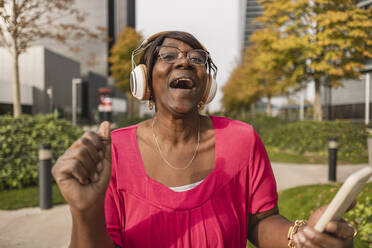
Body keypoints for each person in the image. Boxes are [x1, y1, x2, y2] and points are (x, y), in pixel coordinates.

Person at [52, 31, 356, 248]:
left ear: (206, 84)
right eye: (168, 55)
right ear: (143, 81)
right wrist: (85, 212)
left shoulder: (242, 139)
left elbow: (259, 222)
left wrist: (302, 236)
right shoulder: (114, 151)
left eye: (196, 58)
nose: (184, 63)